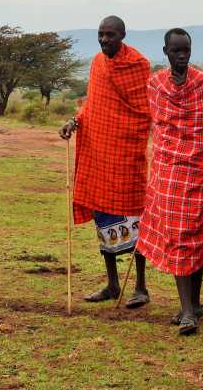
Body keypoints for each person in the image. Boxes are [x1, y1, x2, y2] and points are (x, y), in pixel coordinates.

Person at [60, 16, 152, 308]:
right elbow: (93, 104)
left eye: (109, 35)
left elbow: (143, 110)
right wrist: (75, 121)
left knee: (136, 217)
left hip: (126, 154)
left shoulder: (138, 64)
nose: (104, 40)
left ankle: (140, 287)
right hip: (98, 152)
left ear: (122, 35)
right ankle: (112, 283)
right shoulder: (97, 63)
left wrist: (124, 134)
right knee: (102, 216)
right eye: (100, 35)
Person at [137, 29, 203, 335]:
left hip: (200, 171)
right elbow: (155, 124)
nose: (182, 55)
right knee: (180, 237)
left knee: (195, 237)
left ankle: (194, 305)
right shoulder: (156, 83)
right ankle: (187, 311)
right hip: (169, 170)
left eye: (186, 50)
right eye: (176, 51)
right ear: (165, 52)